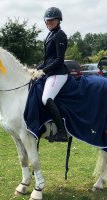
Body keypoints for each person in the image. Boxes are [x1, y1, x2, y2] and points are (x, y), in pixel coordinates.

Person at [36, 7, 69, 142]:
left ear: (58, 20)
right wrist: (37, 68)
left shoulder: (60, 34)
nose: (49, 22)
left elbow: (58, 60)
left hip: (58, 73)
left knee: (46, 99)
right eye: (47, 20)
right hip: (51, 72)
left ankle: (61, 132)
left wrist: (43, 70)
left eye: (52, 20)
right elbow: (48, 59)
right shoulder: (50, 35)